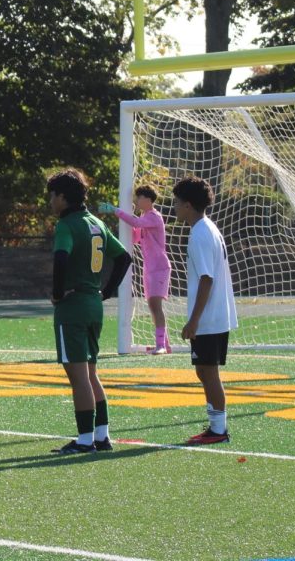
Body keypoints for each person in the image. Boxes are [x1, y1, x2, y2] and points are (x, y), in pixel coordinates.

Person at [46, 169, 132, 454]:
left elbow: (61, 257)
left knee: (79, 376)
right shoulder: (96, 222)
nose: (50, 201)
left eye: (52, 195)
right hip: (94, 305)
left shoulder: (67, 225)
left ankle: (84, 441)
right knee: (91, 372)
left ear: (62, 196)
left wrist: (58, 293)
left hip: (73, 306)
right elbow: (123, 258)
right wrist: (106, 291)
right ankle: (101, 435)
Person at [173, 176, 238, 445]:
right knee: (204, 371)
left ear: (188, 205)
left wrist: (194, 321)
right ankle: (216, 426)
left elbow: (207, 278)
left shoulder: (200, 233)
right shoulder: (207, 228)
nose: (174, 208)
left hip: (209, 318)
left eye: (176, 203)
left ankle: (218, 429)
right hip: (214, 316)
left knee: (208, 372)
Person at [100, 186, 172, 353]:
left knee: (155, 305)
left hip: (159, 267)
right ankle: (164, 344)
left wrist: (117, 211)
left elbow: (136, 222)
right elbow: (135, 237)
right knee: (153, 306)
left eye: (139, 198)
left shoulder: (154, 216)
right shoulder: (144, 217)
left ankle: (161, 345)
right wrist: (125, 221)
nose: (136, 201)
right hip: (149, 268)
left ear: (148, 199)